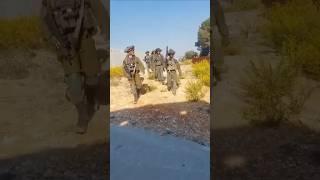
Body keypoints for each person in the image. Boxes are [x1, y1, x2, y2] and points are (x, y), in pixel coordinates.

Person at [41, 0, 108, 134]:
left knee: (92, 76)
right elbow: (44, 20)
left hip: (84, 38)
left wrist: (108, 31)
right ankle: (82, 114)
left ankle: (90, 103)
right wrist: (54, 42)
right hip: (64, 43)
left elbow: (99, 10)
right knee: (74, 82)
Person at [212, 0, 230, 85]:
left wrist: (225, 36)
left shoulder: (215, 4)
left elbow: (221, 23)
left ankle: (215, 71)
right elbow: (221, 23)